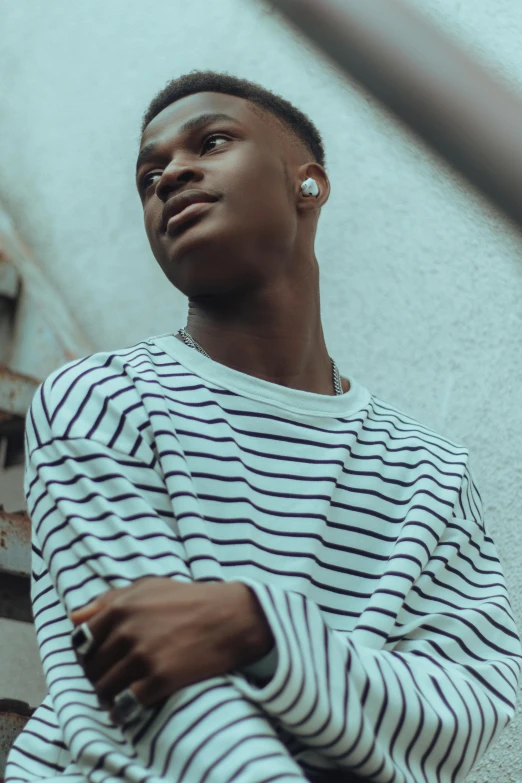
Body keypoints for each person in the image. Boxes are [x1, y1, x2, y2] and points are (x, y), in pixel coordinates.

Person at [6, 70, 521, 783]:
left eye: (210, 142)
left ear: (308, 184)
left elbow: (467, 708)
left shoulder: (428, 471)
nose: (171, 173)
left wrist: (261, 628)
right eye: (148, 173)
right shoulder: (100, 397)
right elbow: (148, 691)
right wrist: (334, 680)